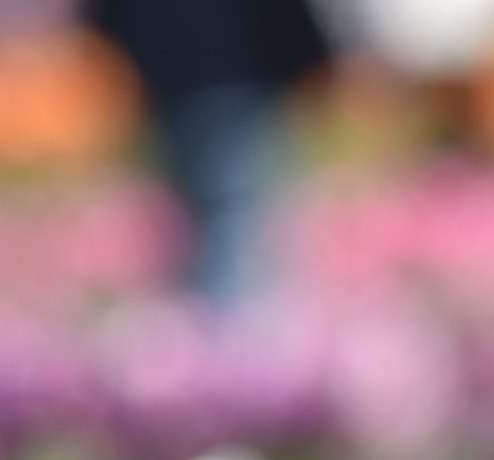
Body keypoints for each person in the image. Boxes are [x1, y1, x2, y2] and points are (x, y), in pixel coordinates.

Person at [88, 0, 336, 308]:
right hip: (242, 86)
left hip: (180, 92)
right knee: (232, 215)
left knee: (204, 215)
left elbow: (109, 20)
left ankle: (206, 315)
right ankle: (224, 318)